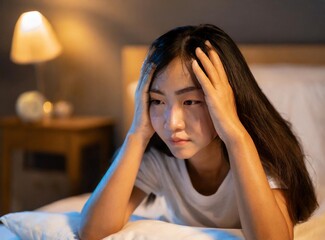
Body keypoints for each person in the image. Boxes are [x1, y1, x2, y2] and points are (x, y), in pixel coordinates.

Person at [79, 24, 318, 240]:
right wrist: (137, 133)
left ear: (227, 99)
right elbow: (92, 231)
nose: (172, 123)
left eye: (191, 102)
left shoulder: (263, 154)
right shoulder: (159, 159)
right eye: (158, 101)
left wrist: (235, 134)